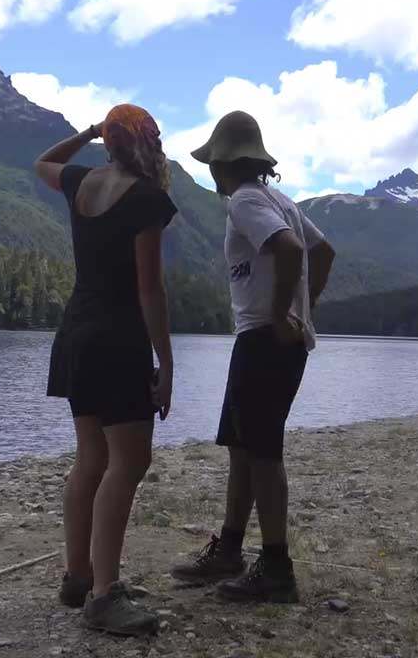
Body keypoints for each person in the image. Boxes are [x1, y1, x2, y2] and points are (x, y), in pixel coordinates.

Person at [171, 110, 335, 603]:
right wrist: (305, 312)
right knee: (244, 449)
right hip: (268, 340)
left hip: (263, 340)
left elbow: (290, 250)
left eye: (212, 164)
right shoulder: (277, 198)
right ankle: (230, 552)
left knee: (262, 453)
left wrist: (285, 313)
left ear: (223, 164)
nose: (211, 174)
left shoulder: (244, 200)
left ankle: (277, 568)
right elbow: (322, 252)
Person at [34, 104, 176, 636]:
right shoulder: (146, 198)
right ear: (147, 142)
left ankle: (79, 576)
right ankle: (103, 596)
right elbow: (149, 289)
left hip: (77, 335)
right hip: (118, 341)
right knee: (129, 461)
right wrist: (166, 359)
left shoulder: (81, 182)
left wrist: (88, 133)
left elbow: (42, 161)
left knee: (92, 456)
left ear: (109, 141)